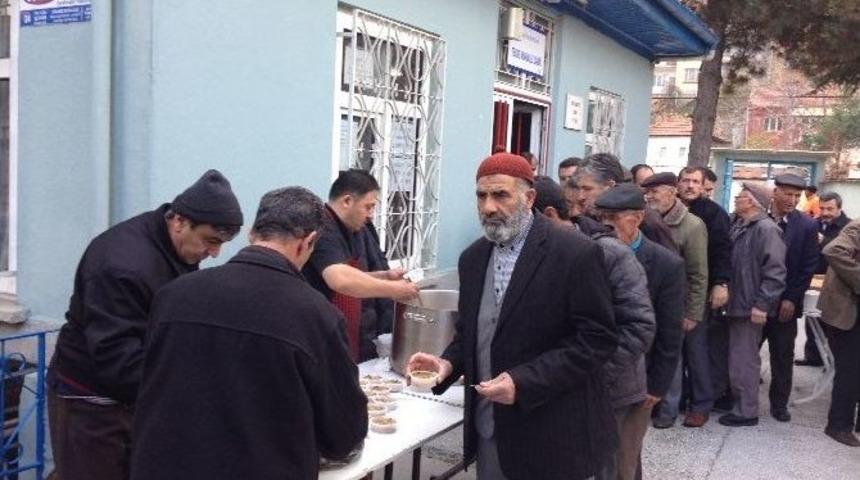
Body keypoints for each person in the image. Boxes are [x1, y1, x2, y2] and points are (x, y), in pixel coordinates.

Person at [130, 187, 368, 479]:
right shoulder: (316, 316)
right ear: (308, 242)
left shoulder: (172, 296)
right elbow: (343, 435)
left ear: (252, 233)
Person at [408, 152, 618, 480]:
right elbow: (472, 334)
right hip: (491, 431)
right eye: (481, 196)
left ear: (529, 197)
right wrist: (447, 363)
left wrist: (524, 381)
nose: (489, 206)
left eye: (500, 195)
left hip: (553, 434)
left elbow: (597, 340)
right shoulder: (473, 258)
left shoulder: (574, 253)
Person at [47, 170, 244, 480]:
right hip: (91, 402)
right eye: (211, 241)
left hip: (135, 397)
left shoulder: (173, 249)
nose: (215, 252)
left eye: (222, 244)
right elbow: (117, 359)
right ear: (179, 221)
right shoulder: (122, 264)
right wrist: (190, 391)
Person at [535, 176, 655, 480]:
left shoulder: (609, 253)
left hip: (610, 389)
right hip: (563, 386)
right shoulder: (539, 253)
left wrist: (590, 372)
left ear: (548, 215)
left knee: (610, 468)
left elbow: (639, 325)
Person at [596, 184, 684, 480]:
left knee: (626, 458)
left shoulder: (665, 263)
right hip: (599, 375)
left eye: (614, 217)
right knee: (599, 457)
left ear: (638, 217)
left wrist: (657, 385)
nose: (606, 224)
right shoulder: (592, 252)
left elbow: (670, 332)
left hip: (640, 379)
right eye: (602, 217)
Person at [303, 169, 418, 361]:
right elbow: (339, 279)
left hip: (347, 331)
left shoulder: (352, 229)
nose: (371, 215)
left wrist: (384, 276)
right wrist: (393, 289)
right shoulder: (323, 228)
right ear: (347, 201)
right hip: (320, 334)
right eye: (368, 207)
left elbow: (351, 273)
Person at [641, 172, 711, 428]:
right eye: (647, 192)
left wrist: (692, 312)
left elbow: (698, 272)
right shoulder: (646, 219)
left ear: (672, 192)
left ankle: (668, 412)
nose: (649, 197)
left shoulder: (692, 225)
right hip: (652, 302)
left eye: (655, 192)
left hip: (678, 303)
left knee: (677, 357)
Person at [719, 183, 786, 427]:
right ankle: (737, 403)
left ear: (753, 202)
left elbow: (776, 272)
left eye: (742, 196)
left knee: (744, 360)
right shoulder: (739, 224)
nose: (737, 199)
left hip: (749, 307)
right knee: (736, 358)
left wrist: (762, 305)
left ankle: (746, 411)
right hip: (736, 303)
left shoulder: (766, 229)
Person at [762, 174, 818, 422]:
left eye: (797, 196)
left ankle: (779, 404)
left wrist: (792, 299)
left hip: (785, 304)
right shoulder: (758, 218)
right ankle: (736, 396)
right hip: (757, 301)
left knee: (783, 357)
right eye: (787, 194)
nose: (792, 200)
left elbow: (807, 267)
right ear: (775, 192)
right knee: (744, 350)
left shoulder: (806, 225)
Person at [677, 166, 733, 412]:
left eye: (695, 182)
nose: (690, 186)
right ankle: (677, 398)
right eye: (686, 180)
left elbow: (723, 250)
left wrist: (721, 283)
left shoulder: (714, 213)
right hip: (671, 290)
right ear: (678, 184)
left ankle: (701, 403)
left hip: (701, 289)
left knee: (697, 350)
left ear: (703, 186)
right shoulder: (670, 209)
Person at [572, 154, 678, 254]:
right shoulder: (585, 217)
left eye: (587, 189)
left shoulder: (649, 223)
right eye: (578, 189)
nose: (580, 196)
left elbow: (668, 267)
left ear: (609, 186)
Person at [817, 219, 860, 447]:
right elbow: (832, 250)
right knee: (850, 372)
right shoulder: (857, 227)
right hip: (846, 313)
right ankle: (838, 425)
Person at [798, 191, 851, 366]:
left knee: (832, 321)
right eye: (822, 208)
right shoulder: (815, 224)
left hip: (836, 282)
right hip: (814, 278)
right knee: (812, 319)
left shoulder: (848, 228)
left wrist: (823, 241)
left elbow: (845, 253)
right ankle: (813, 357)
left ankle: (835, 361)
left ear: (839, 208)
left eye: (830, 209)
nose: (826, 212)